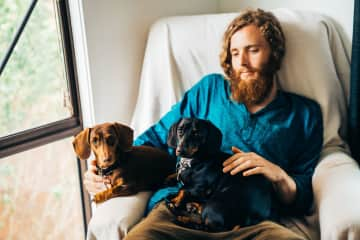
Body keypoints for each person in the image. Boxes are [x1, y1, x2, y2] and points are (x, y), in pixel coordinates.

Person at [84, 8, 323, 240]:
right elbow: (154, 140)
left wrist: (278, 175)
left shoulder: (303, 115)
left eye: (253, 50)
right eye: (236, 53)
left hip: (251, 220)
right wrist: (105, 170)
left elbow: (303, 196)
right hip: (178, 211)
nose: (243, 62)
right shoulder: (208, 90)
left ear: (274, 53)